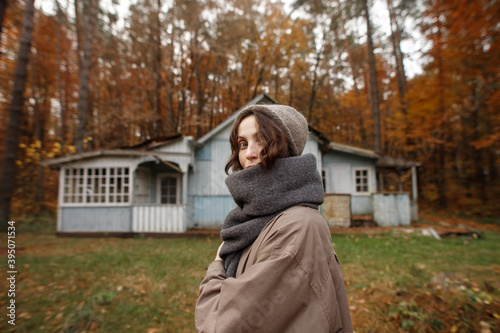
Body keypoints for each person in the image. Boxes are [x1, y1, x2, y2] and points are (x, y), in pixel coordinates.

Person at [195, 104, 353, 333]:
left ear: (286, 147)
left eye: (261, 140)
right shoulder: (254, 222)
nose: (249, 153)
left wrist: (217, 266)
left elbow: (224, 326)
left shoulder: (296, 227)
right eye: (242, 143)